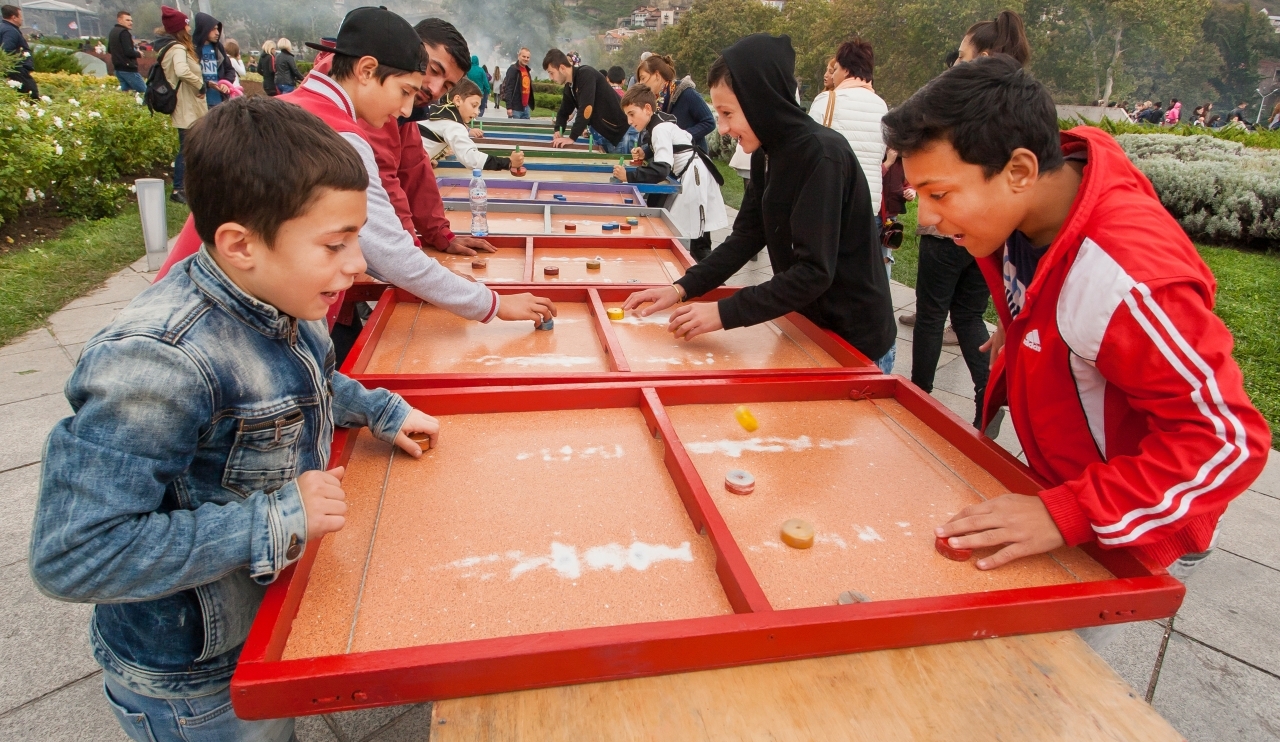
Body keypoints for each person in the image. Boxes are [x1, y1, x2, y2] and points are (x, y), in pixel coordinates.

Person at [31, 95, 442, 742]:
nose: (358, 263)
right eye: (336, 244)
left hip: (257, 629)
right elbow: (74, 555)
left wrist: (380, 410)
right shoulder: (155, 364)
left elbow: (301, 382)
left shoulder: (276, 297)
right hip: (195, 682)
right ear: (240, 244)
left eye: (356, 237)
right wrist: (277, 518)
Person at [880, 57, 1269, 631]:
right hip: (1058, 480)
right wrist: (1027, 341)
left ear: (1018, 170)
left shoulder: (1127, 279)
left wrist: (1067, 514)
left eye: (940, 194)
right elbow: (1051, 302)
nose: (929, 220)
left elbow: (1228, 440)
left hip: (1114, 521)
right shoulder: (1024, 212)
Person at [285, 9, 553, 356]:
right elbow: (383, 246)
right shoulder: (338, 135)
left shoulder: (306, 108)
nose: (409, 107)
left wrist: (435, 239)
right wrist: (491, 304)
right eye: (406, 90)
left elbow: (413, 174)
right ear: (368, 69)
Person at [623, 35, 896, 373]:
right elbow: (747, 236)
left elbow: (813, 272)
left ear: (762, 101)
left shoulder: (823, 156)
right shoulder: (766, 152)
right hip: (807, 327)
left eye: (727, 114)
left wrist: (725, 312)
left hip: (854, 340)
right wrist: (681, 287)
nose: (722, 128)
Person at [900, 11, 1031, 429]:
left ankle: (918, 398)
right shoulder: (1023, 111)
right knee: (969, 315)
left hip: (951, 241)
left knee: (934, 312)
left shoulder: (961, 117)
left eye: (962, 56)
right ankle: (986, 394)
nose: (954, 65)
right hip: (990, 241)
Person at [612, 86, 728, 262]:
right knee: (694, 234)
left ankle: (711, 283)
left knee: (694, 238)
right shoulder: (661, 123)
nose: (629, 120)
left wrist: (628, 176)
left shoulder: (659, 129)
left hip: (692, 176)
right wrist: (646, 152)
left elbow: (661, 169)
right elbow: (677, 145)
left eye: (632, 114)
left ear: (648, 109)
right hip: (692, 172)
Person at [806, 40, 888, 261]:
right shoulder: (881, 105)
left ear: (846, 69)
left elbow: (808, 152)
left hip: (832, 204)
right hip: (869, 206)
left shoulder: (827, 100)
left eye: (836, 69)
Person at [422, 78, 525, 173]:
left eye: (478, 108)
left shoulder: (435, 111)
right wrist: (508, 162)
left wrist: (427, 157)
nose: (477, 112)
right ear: (458, 100)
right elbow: (471, 159)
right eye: (474, 105)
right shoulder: (453, 125)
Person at [157, 6, 206, 205]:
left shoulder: (169, 47)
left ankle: (186, 186)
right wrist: (199, 84)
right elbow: (181, 70)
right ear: (180, 28)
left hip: (187, 105)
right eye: (186, 25)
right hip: (187, 106)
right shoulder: (177, 48)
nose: (189, 28)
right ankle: (179, 188)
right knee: (187, 148)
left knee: (188, 147)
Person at [545, 49, 635, 154]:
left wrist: (572, 137)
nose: (550, 78)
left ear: (562, 68)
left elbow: (586, 108)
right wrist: (558, 130)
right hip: (604, 134)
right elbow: (564, 111)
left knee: (622, 169)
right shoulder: (570, 86)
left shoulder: (585, 74)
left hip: (621, 132)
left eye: (551, 73)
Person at [635, 54, 716, 153]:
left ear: (657, 75)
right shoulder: (657, 102)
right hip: (673, 162)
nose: (641, 84)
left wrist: (682, 136)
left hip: (693, 159)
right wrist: (645, 152)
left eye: (643, 78)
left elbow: (709, 122)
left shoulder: (686, 93)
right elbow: (664, 138)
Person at [192, 13, 234, 108]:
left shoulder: (218, 48)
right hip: (200, 102)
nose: (217, 33)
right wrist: (206, 84)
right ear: (204, 29)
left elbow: (230, 70)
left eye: (217, 29)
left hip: (220, 102)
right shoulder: (192, 48)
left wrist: (226, 82)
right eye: (213, 29)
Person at [0, 5, 37, 99]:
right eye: (20, 16)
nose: (22, 19)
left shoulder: (4, 27)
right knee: (31, 96)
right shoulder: (10, 31)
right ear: (14, 17)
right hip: (16, 71)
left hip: (13, 70)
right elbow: (6, 51)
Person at [107, 11, 145, 93]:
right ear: (119, 20)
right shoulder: (124, 33)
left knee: (126, 95)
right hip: (128, 69)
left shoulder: (113, 32)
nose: (131, 23)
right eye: (127, 20)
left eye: (131, 20)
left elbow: (109, 50)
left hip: (118, 69)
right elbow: (128, 52)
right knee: (145, 93)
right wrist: (139, 53)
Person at [501, 47, 533, 118]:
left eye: (528, 57)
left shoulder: (527, 70)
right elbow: (508, 89)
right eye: (524, 56)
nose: (526, 59)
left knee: (526, 129)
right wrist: (509, 107)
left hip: (526, 107)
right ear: (519, 56)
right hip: (515, 108)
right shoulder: (513, 69)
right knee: (515, 129)